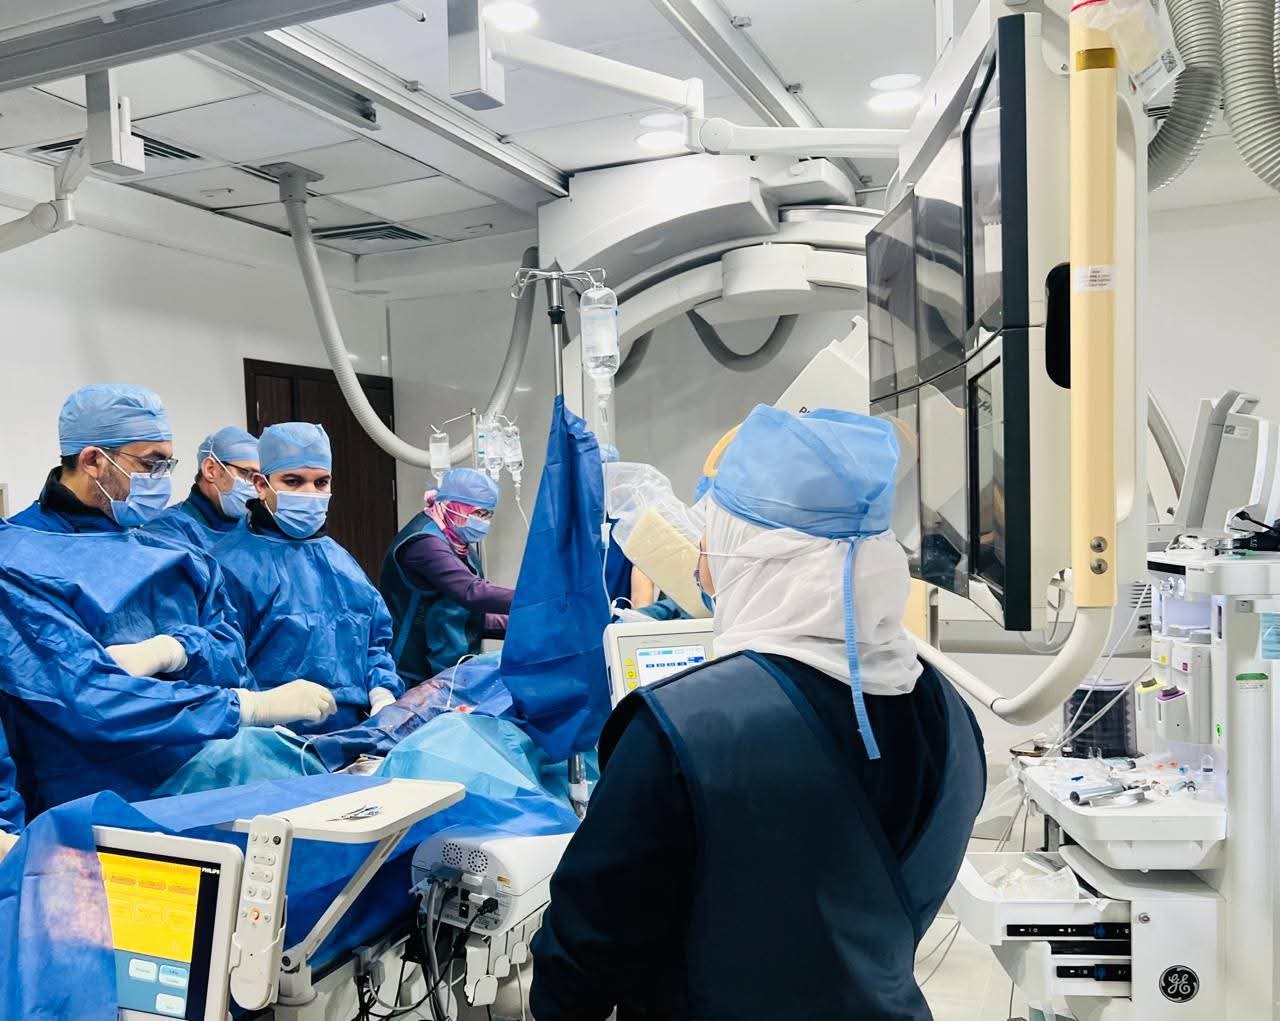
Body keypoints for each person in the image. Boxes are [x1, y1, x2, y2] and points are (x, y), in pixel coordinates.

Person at [531, 405, 987, 1021]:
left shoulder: (684, 729)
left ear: (750, 554)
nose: (700, 566)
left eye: (709, 543)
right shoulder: (955, 718)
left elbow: (584, 949)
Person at [0, 519, 336, 816]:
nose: (161, 480)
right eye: (151, 470)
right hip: (112, 794)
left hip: (209, 751)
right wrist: (246, 707)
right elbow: (90, 699)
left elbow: (229, 653)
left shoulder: (178, 554)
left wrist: (178, 649)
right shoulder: (17, 565)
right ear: (92, 467)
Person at [213, 422, 404, 733]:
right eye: (293, 481)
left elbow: (374, 643)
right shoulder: (228, 566)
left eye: (321, 482)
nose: (310, 493)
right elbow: (220, 663)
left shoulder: (341, 561)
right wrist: (259, 712)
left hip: (352, 735)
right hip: (271, 739)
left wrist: (382, 693)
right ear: (261, 484)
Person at [379, 467, 515, 684]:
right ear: (452, 505)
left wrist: (527, 622)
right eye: (479, 513)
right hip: (413, 671)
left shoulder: (456, 541)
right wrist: (534, 599)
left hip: (448, 668)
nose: (484, 523)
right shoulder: (425, 544)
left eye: (488, 515)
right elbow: (472, 592)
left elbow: (467, 616)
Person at [10, 383, 178, 533]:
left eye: (167, 465)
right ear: (92, 461)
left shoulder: (136, 532)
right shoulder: (18, 546)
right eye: (152, 464)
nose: (163, 480)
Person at [146, 426, 260, 551]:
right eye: (249, 474)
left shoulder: (251, 530)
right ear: (210, 470)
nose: (257, 488)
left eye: (261, 480)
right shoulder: (167, 532)